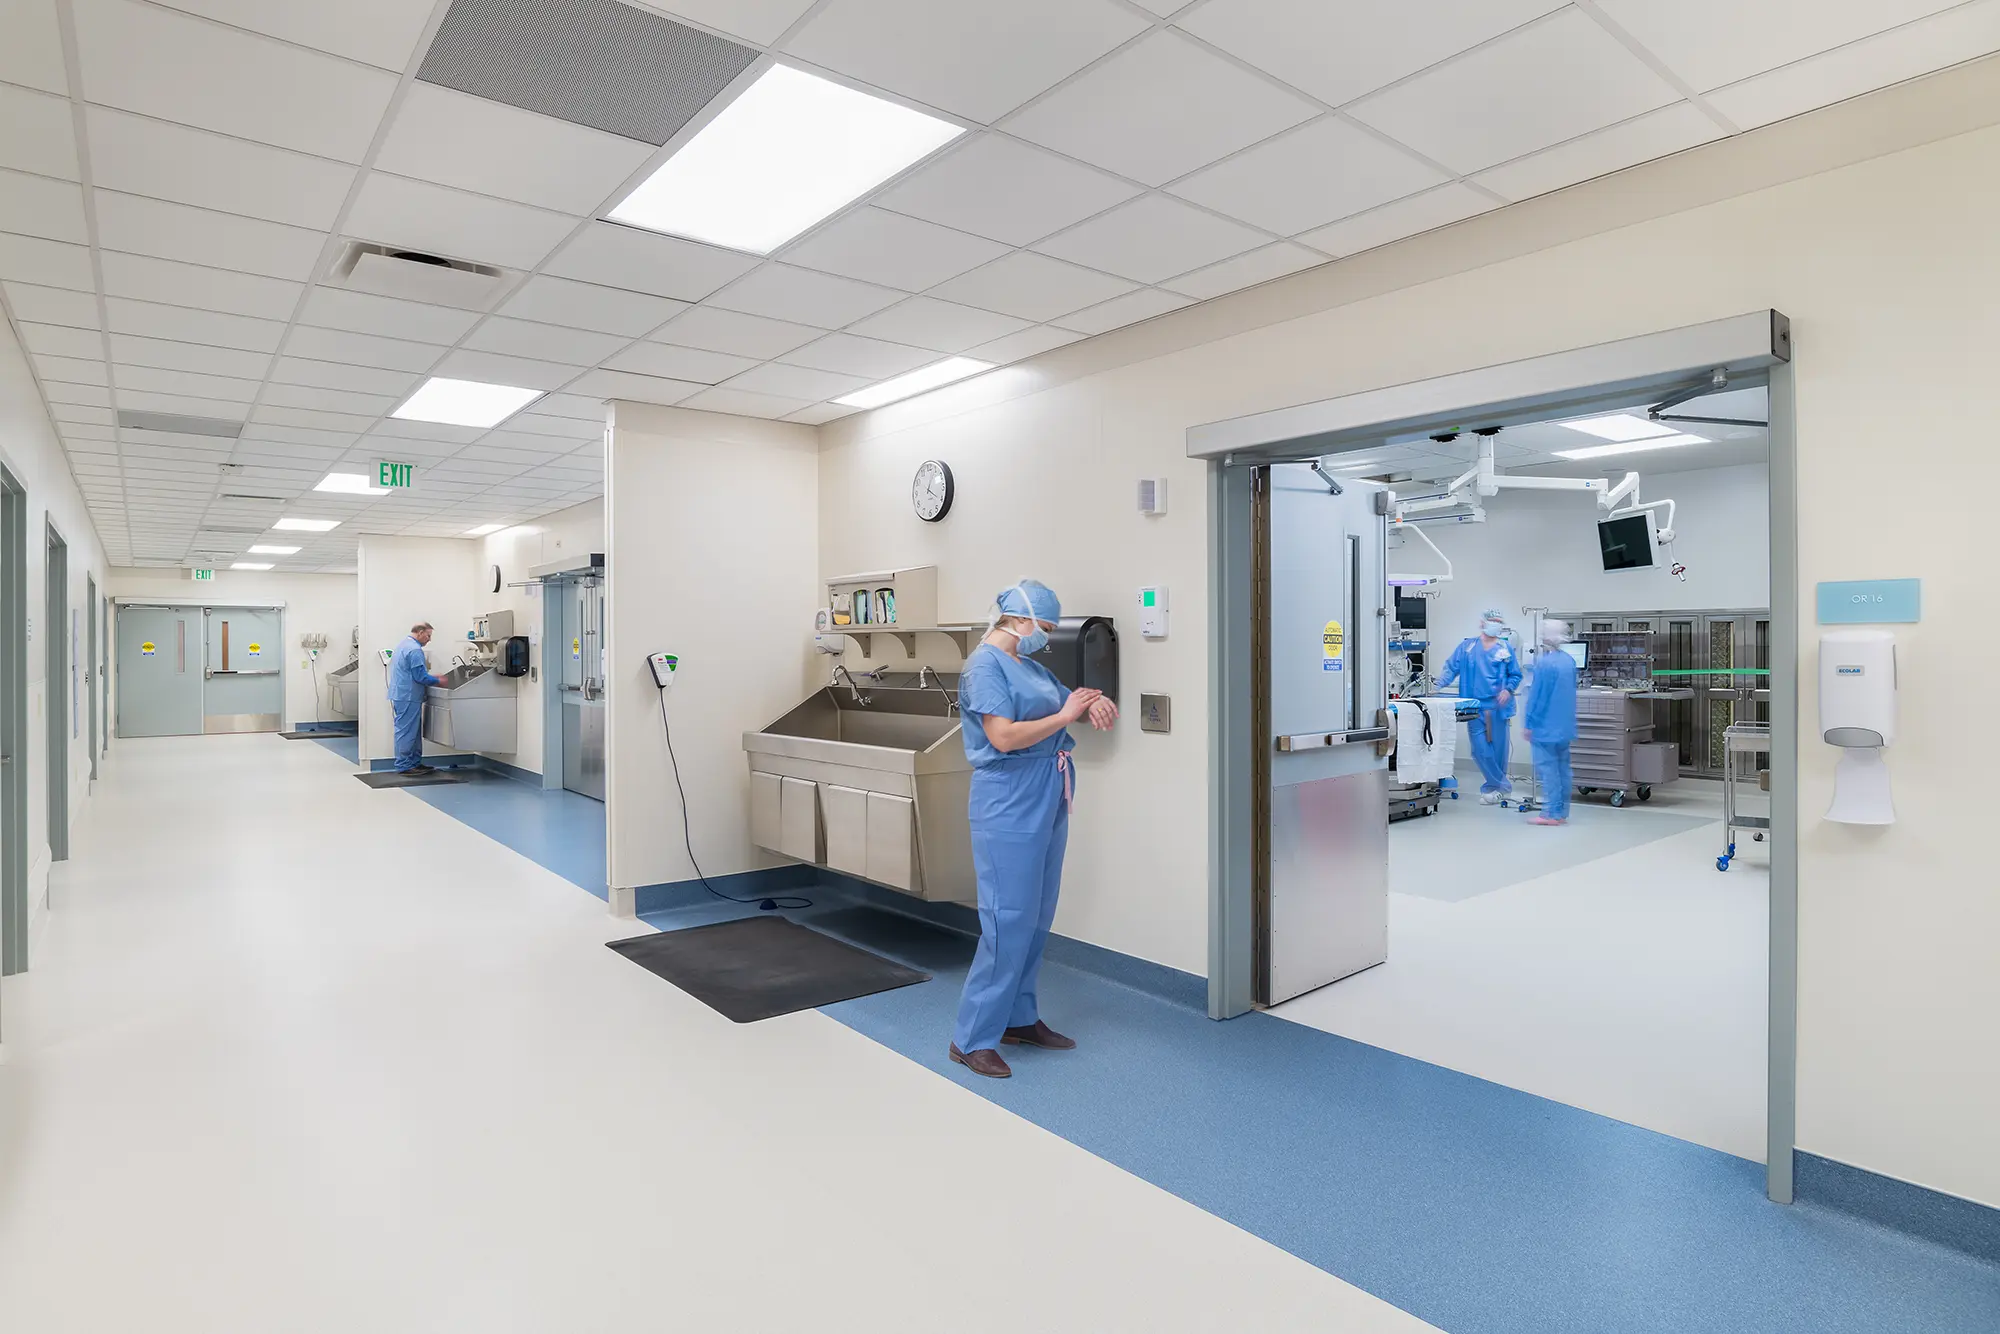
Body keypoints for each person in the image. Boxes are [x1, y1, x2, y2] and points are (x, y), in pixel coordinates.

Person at [949, 580, 1118, 1080]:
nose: (1044, 637)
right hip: (1008, 798)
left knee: (1037, 914)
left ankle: (1019, 1020)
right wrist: (1067, 713)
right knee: (1007, 919)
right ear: (1018, 621)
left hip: (1049, 790)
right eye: (1043, 628)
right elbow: (1002, 737)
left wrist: (1091, 704)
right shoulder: (983, 666)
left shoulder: (1032, 667)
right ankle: (972, 1037)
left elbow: (1069, 703)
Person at [1436, 609, 1522, 804]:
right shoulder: (1467, 647)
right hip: (1474, 707)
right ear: (1483, 623)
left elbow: (1515, 674)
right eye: (1493, 620)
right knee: (1479, 750)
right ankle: (1502, 786)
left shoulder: (1505, 648)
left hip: (1497, 707)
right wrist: (1437, 684)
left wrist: (1508, 690)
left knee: (1498, 750)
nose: (1496, 624)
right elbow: (1451, 668)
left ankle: (1493, 788)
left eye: (1499, 621)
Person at [1521, 620, 1579, 826]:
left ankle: (1550, 814)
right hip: (1564, 726)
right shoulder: (1568, 661)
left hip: (1545, 727)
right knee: (1563, 769)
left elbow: (1538, 697)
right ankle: (1561, 812)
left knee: (1549, 771)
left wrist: (1529, 723)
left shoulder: (1545, 664)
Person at [388, 622, 442, 775]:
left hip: (403, 695)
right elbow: (420, 677)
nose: (429, 639)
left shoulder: (403, 645)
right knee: (406, 731)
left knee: (413, 731)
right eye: (428, 635)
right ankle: (404, 765)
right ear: (420, 632)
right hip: (408, 696)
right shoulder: (414, 650)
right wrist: (438, 680)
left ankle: (414, 763)